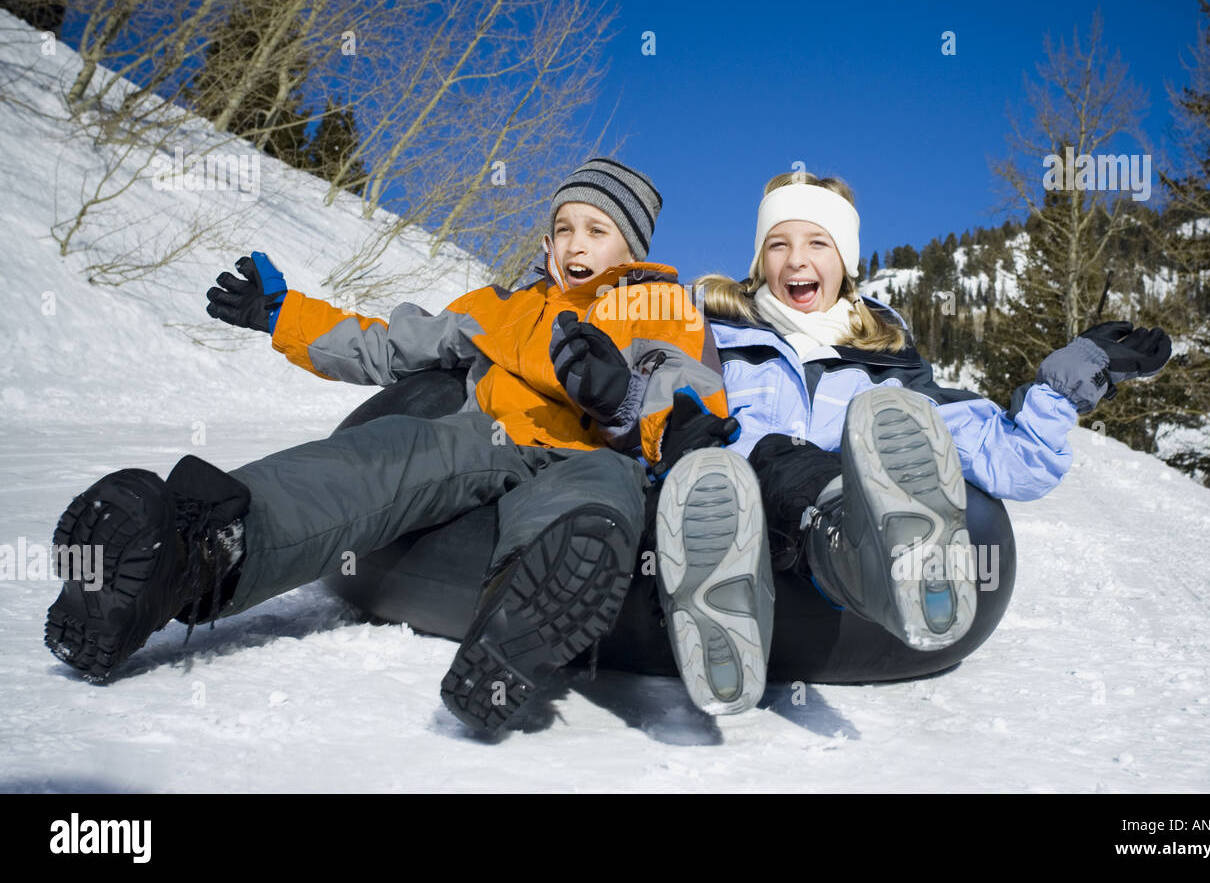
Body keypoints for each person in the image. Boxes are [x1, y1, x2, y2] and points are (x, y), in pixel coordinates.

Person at [44, 158, 733, 736]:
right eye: (562, 228)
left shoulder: (658, 306)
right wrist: (286, 317)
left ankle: (518, 631)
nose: (574, 243)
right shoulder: (503, 305)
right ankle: (186, 550)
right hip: (482, 436)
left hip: (594, 449)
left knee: (586, 511)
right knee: (382, 454)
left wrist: (639, 405)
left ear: (631, 248)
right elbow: (388, 345)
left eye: (596, 229)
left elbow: (683, 378)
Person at [654, 170, 1172, 714]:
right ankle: (726, 605)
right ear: (760, 260)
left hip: (833, 580)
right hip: (724, 528)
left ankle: (878, 564)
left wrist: (1069, 381)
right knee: (750, 461)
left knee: (885, 427)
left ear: (846, 263)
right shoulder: (708, 340)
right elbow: (648, 424)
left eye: (817, 243)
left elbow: (1016, 464)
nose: (796, 260)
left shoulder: (892, 376)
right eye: (777, 243)